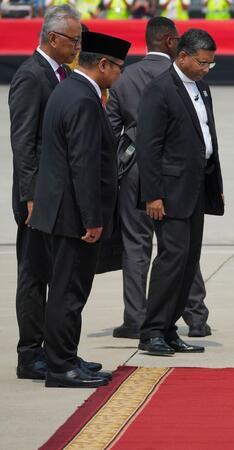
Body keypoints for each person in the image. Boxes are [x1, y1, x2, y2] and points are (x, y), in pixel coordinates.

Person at [30, 30, 130, 388]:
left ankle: (66, 356)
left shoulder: (70, 89)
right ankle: (61, 367)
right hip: (74, 214)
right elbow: (84, 164)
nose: (120, 75)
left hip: (63, 210)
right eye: (118, 68)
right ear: (102, 64)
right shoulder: (84, 99)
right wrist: (92, 218)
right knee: (68, 292)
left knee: (67, 289)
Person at [106, 18, 213, 341]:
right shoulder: (179, 78)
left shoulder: (124, 78)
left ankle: (135, 317)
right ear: (170, 42)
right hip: (174, 175)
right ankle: (195, 315)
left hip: (134, 171)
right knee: (179, 247)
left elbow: (110, 129)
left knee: (137, 245)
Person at [136, 29, 225, 356]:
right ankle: (152, 331)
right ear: (183, 56)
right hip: (169, 193)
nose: (206, 69)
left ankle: (169, 327)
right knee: (171, 259)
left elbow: (206, 137)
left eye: (210, 64)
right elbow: (148, 146)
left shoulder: (201, 87)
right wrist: (153, 194)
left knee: (188, 261)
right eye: (202, 62)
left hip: (196, 187)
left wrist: (215, 185)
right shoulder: (160, 89)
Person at [8, 4, 81, 381]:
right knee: (35, 275)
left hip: (60, 196)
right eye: (74, 40)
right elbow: (23, 143)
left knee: (59, 274)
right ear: (53, 38)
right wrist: (31, 196)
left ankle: (57, 351)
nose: (78, 47)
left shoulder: (62, 74)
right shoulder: (31, 76)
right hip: (38, 198)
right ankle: (30, 352)